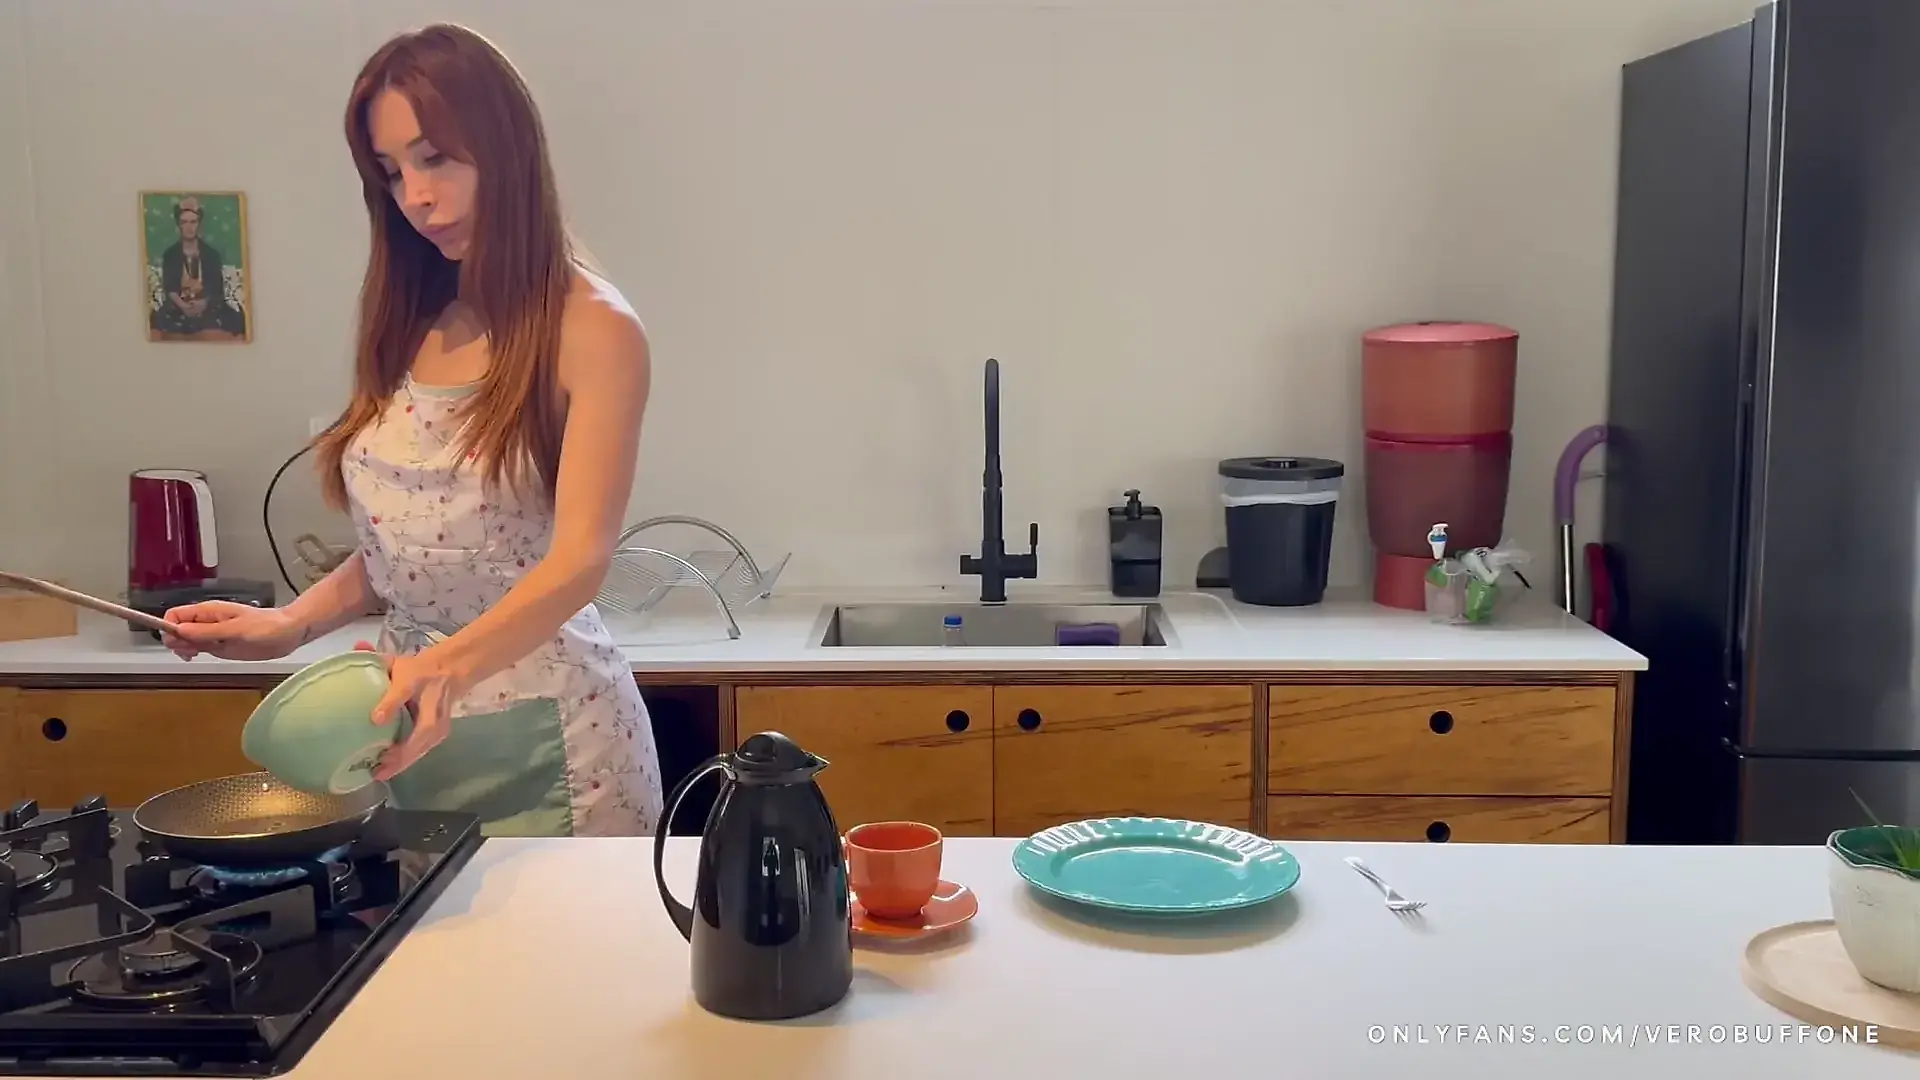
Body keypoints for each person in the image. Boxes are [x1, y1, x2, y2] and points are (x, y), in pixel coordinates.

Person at [160, 24, 664, 838]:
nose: (415, 197)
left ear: (506, 149)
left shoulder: (594, 328)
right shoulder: (415, 318)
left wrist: (443, 669)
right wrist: (289, 625)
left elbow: (580, 560)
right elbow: (414, 548)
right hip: (412, 739)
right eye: (392, 172)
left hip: (564, 745)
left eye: (435, 159)